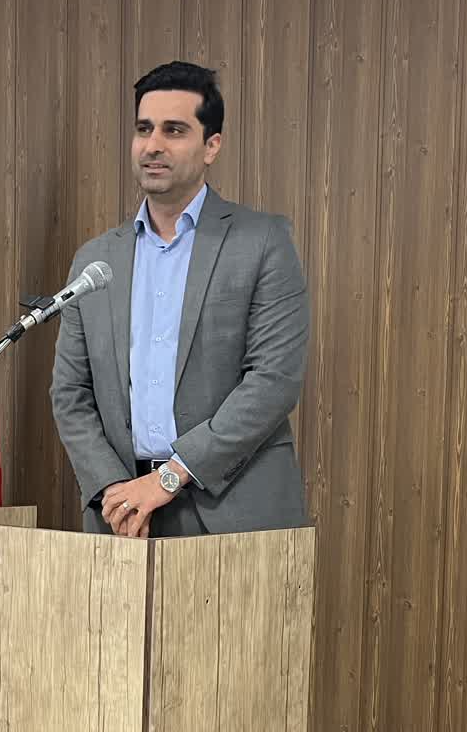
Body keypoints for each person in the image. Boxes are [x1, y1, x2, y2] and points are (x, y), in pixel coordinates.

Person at [50, 60, 311, 538]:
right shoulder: (95, 260)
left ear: (212, 145)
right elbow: (71, 392)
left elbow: (273, 381)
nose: (153, 145)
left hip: (234, 513)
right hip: (124, 514)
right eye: (143, 129)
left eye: (174, 130)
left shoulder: (262, 243)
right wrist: (115, 488)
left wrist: (170, 477)